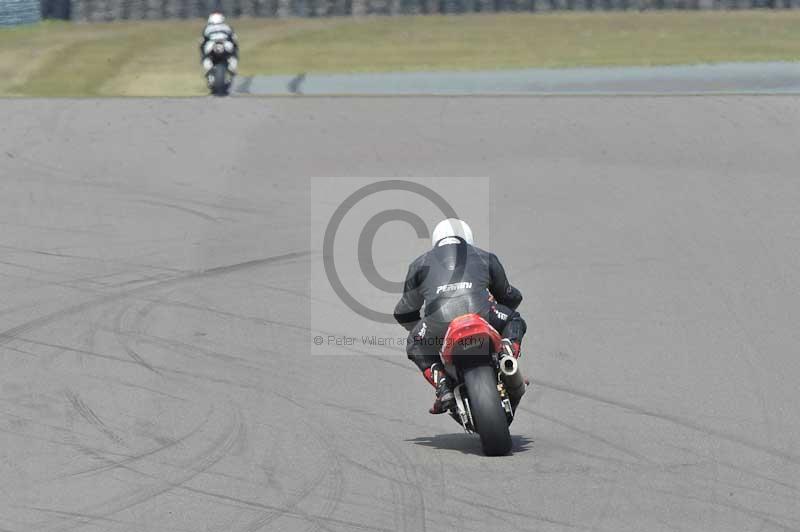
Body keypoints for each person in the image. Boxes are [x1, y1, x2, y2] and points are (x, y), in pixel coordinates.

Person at [394, 219, 527, 414]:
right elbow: (508, 295)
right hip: (482, 313)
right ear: (468, 239)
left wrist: (423, 328)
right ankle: (507, 352)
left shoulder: (419, 264)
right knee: (514, 319)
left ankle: (443, 386)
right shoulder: (485, 257)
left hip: (438, 324)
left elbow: (403, 312)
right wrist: (498, 309)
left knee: (415, 342)